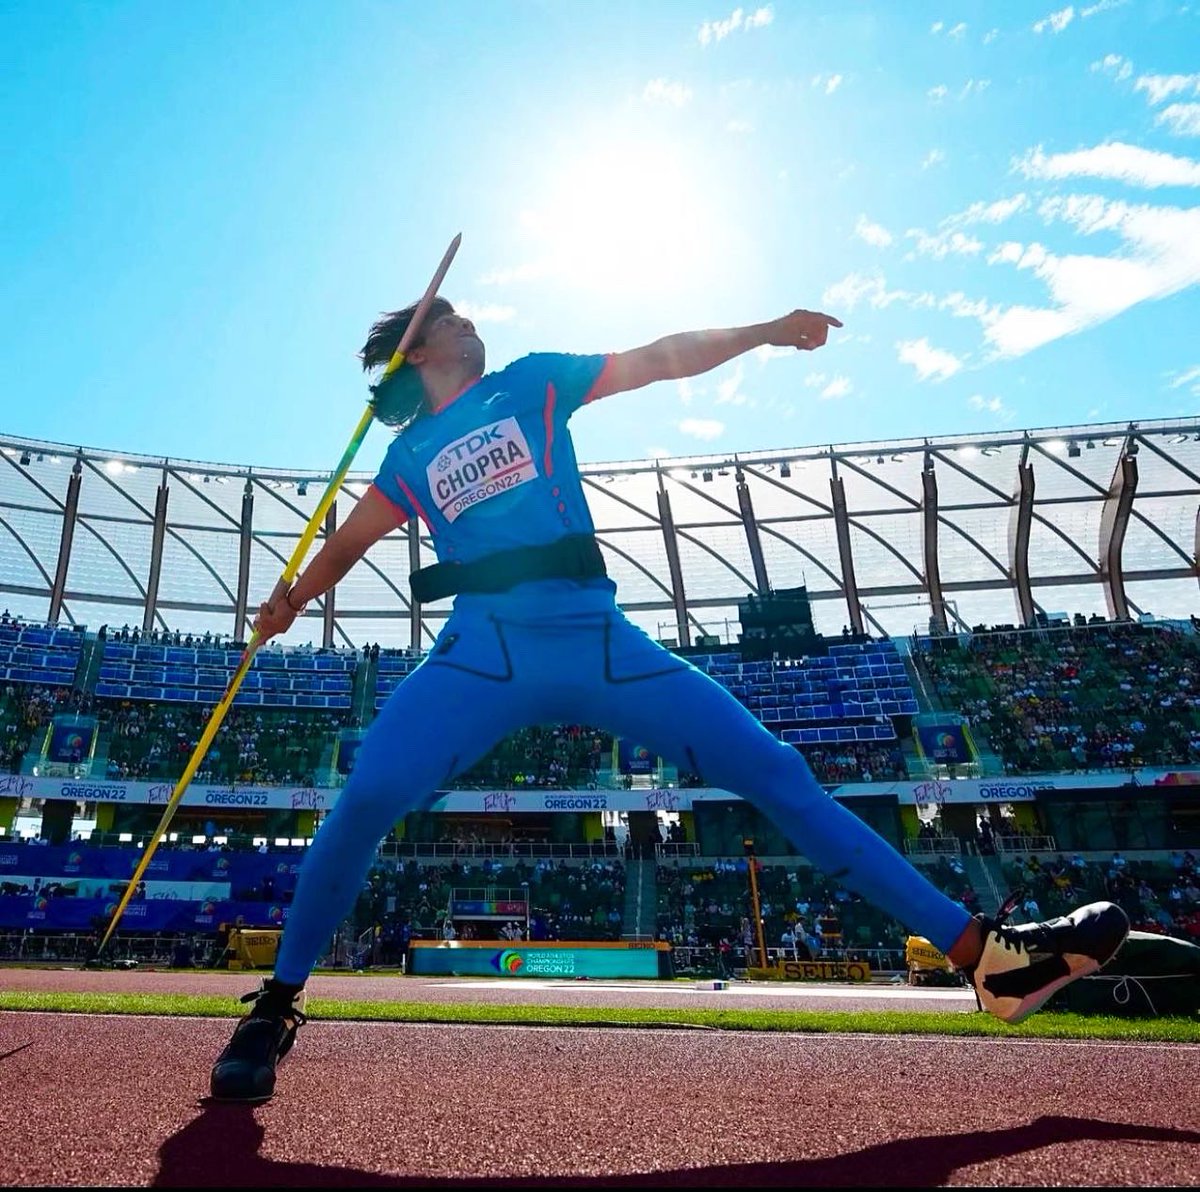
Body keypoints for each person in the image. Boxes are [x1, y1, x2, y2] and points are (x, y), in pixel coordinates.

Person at [209, 297, 1130, 1102]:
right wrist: (292, 599)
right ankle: (274, 1010)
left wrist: (765, 332)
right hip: (483, 649)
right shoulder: (409, 453)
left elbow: (658, 358)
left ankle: (990, 961)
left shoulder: (530, 382)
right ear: (419, 348)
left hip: (599, 640)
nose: (474, 324)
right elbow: (350, 541)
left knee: (778, 773)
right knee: (367, 794)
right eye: (454, 319)